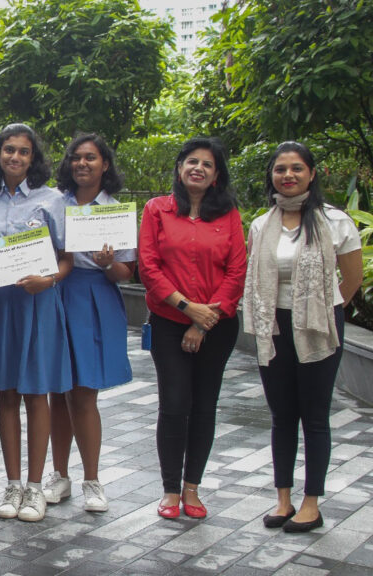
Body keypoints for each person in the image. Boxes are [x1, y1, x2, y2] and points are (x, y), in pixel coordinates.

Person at [242, 141, 362, 533]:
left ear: (312, 173)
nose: (288, 175)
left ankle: (312, 502)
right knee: (281, 416)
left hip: (319, 326)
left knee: (314, 415)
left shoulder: (335, 221)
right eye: (280, 169)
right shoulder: (262, 225)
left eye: (296, 168)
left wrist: (324, 310)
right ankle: (283, 498)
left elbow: (353, 278)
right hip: (273, 325)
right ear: (272, 176)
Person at [138, 136, 246, 520]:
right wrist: (187, 309)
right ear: (180, 168)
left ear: (216, 175)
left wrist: (203, 321)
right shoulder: (157, 210)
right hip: (168, 323)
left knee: (204, 407)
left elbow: (236, 271)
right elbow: (149, 268)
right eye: (191, 161)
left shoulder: (228, 213)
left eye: (208, 164)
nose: (198, 168)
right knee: (175, 403)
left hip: (216, 326)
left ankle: (192, 489)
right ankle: (169, 490)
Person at [0, 124, 73, 523]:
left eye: (24, 151)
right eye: (8, 150)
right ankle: (12, 484)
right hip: (0, 305)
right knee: (7, 394)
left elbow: (65, 259)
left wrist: (47, 281)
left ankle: (35, 487)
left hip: (39, 303)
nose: (15, 157)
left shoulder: (52, 200)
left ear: (34, 158)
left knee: (37, 394)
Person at [44, 134, 135, 513]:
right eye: (76, 158)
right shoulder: (51, 202)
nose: (83, 164)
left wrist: (106, 263)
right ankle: (59, 475)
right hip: (56, 293)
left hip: (95, 296)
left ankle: (92, 480)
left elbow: (126, 272)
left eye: (91, 158)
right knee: (56, 392)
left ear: (105, 164)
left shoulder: (115, 210)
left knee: (84, 393)